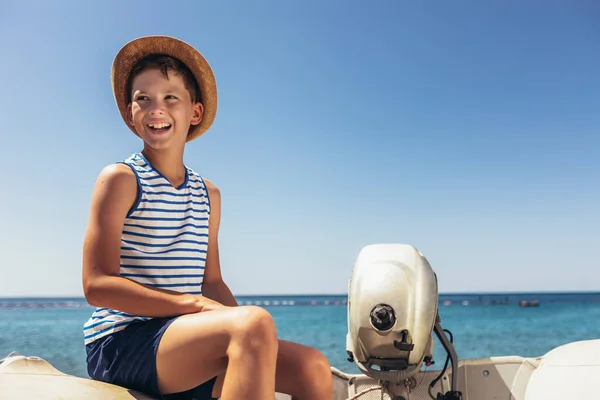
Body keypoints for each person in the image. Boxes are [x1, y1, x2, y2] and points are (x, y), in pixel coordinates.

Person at [81, 35, 333, 400]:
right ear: (129, 112)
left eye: (171, 98)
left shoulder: (207, 194)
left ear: (194, 112)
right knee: (253, 323)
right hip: (122, 341)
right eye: (143, 99)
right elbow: (97, 285)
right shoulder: (121, 178)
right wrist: (197, 307)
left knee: (312, 366)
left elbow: (211, 283)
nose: (157, 109)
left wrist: (252, 337)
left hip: (186, 339)